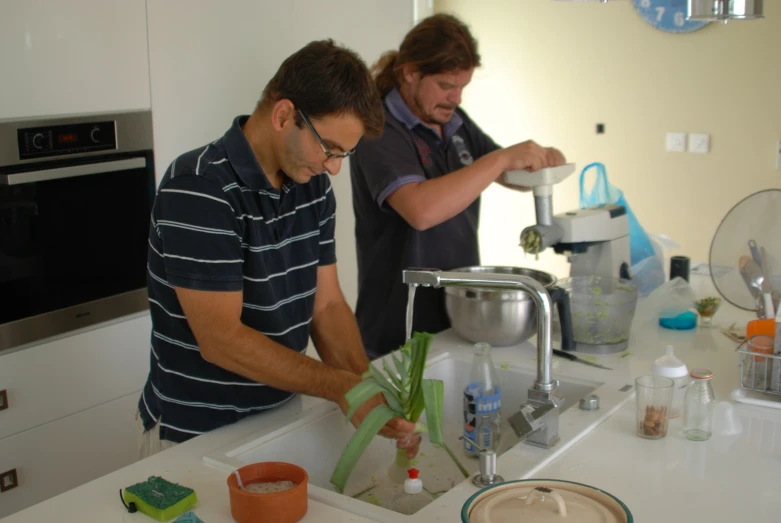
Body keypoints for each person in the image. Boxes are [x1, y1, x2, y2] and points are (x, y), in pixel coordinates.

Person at [136, 40, 420, 459]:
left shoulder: (313, 186)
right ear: (284, 115)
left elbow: (326, 307)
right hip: (194, 437)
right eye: (329, 149)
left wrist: (367, 389)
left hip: (279, 419)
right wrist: (339, 387)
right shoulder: (199, 188)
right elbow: (221, 340)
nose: (334, 167)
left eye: (345, 153)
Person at [350, 14, 567, 359]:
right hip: (400, 325)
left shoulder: (450, 119)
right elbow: (421, 211)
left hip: (457, 316)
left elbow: (505, 172)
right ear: (409, 72)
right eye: (446, 85)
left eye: (462, 87)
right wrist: (500, 159)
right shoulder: (380, 129)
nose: (456, 98)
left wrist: (539, 163)